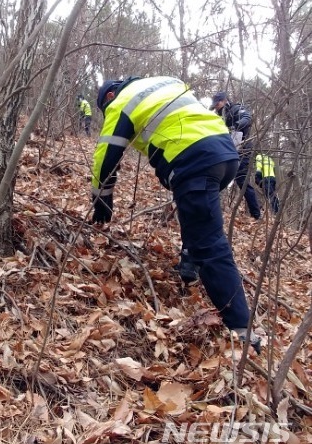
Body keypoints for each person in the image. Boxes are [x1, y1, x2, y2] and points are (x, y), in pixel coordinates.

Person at [91, 76, 261, 354]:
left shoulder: (120, 103)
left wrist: (102, 198)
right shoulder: (163, 82)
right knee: (196, 215)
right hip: (223, 152)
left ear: (108, 96)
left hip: (193, 158)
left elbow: (107, 153)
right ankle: (188, 266)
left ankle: (243, 330)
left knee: (209, 244)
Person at [210, 92, 261, 220]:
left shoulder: (236, 109)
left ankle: (256, 215)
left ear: (224, 101)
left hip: (243, 147)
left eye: (218, 104)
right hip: (228, 148)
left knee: (241, 179)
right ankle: (214, 208)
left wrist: (236, 126)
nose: (216, 107)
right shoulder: (219, 117)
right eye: (214, 106)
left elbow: (247, 118)